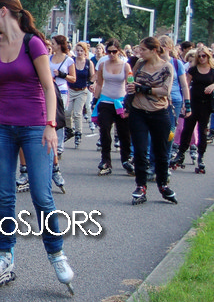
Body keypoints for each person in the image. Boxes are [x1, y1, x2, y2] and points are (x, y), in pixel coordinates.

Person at [0, 0, 74, 294]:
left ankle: (57, 254)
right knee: (4, 196)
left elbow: (49, 88)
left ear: (3, 11)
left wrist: (50, 125)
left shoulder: (33, 44)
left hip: (35, 126)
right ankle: (4, 254)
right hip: (2, 127)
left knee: (41, 195)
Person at [126, 37, 177, 204]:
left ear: (154, 50)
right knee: (140, 151)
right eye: (139, 49)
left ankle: (163, 185)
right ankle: (141, 186)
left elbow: (165, 91)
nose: (140, 52)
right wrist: (130, 88)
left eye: (143, 50)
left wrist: (142, 88)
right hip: (138, 111)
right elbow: (131, 80)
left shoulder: (167, 67)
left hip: (159, 112)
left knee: (161, 152)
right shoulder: (140, 64)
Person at [171, 44, 214, 173]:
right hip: (194, 103)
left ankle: (201, 156)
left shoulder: (212, 70)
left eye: (204, 56)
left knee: (203, 131)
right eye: (199, 56)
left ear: (208, 56)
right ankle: (181, 154)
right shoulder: (193, 70)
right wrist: (186, 103)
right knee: (187, 129)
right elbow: (186, 85)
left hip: (206, 104)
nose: (201, 58)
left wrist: (212, 86)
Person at [92, 40, 133, 176]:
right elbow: (99, 84)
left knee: (124, 133)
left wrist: (129, 103)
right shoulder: (102, 65)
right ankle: (105, 160)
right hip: (106, 101)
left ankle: (126, 159)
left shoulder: (126, 66)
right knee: (104, 130)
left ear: (119, 51)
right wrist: (95, 100)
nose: (111, 54)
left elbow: (129, 85)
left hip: (120, 102)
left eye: (114, 51)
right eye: (109, 51)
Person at [66, 42, 94, 148]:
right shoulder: (71, 61)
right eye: (77, 50)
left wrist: (92, 84)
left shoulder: (88, 63)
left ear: (85, 52)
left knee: (77, 113)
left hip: (82, 90)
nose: (79, 53)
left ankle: (78, 133)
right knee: (67, 112)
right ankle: (69, 129)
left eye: (81, 51)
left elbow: (92, 76)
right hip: (70, 89)